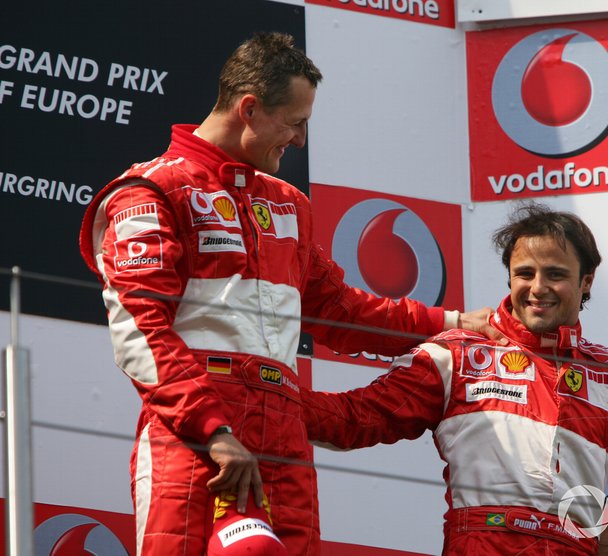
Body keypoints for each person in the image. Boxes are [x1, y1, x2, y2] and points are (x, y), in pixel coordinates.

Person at [79, 32, 492, 556]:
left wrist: (454, 322)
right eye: (295, 123)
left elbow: (343, 312)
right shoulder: (151, 190)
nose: (299, 140)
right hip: (196, 431)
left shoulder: (288, 204)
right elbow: (141, 332)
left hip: (285, 430)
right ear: (249, 109)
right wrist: (214, 429)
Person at [302, 202, 608, 555]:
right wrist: (264, 394)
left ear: (586, 282)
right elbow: (353, 419)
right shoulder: (456, 354)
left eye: (555, 274)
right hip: (482, 544)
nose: (537, 288)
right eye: (524, 273)